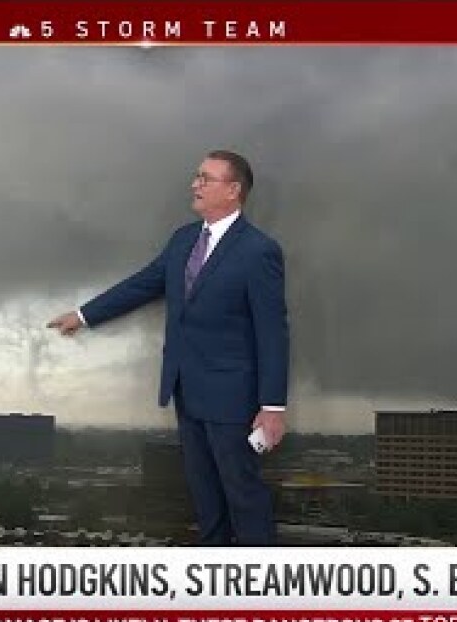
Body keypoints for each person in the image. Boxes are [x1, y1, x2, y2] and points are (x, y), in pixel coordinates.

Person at [47, 150, 289, 546]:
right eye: (196, 177)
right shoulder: (183, 240)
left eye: (205, 179)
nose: (195, 184)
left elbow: (273, 331)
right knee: (206, 499)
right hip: (185, 391)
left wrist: (273, 406)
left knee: (243, 497)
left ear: (233, 190)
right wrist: (84, 314)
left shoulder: (259, 251)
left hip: (232, 397)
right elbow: (143, 285)